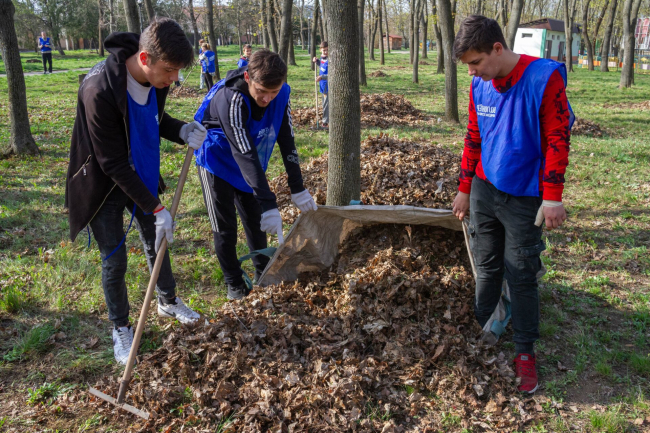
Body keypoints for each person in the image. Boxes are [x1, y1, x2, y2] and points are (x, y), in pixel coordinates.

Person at [65, 18, 208, 365]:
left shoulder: (155, 78)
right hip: (103, 183)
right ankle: (120, 327)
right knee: (114, 259)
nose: (174, 79)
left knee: (157, 241)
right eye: (170, 70)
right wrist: (157, 208)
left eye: (177, 71)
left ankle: (167, 301)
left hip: (140, 172)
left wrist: (182, 130)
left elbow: (152, 119)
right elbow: (111, 162)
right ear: (144, 58)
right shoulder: (98, 90)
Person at [451, 15, 573, 394]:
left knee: (521, 273)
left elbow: (557, 138)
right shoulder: (479, 85)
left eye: (476, 62)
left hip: (524, 195)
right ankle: (484, 325)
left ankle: (524, 351)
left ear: (497, 49)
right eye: (468, 65)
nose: (472, 72)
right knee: (487, 265)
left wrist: (552, 197)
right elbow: (474, 136)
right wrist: (465, 188)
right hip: (485, 189)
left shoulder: (543, 78)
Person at [194, 49, 317, 301]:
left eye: (274, 92)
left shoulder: (281, 94)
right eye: (261, 91)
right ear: (248, 77)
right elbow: (244, 152)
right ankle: (234, 284)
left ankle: (263, 275)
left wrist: (297, 187)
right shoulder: (231, 98)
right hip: (217, 160)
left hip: (248, 161)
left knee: (256, 221)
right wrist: (269, 201)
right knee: (225, 228)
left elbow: (287, 139)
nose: (267, 98)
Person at [312, 41, 329, 127]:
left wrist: (322, 77)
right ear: (320, 50)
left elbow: (333, 74)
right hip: (322, 84)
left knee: (326, 104)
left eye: (327, 50)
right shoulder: (322, 59)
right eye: (324, 50)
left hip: (328, 85)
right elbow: (323, 67)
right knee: (324, 103)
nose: (325, 52)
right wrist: (317, 61)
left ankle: (325, 121)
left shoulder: (330, 60)